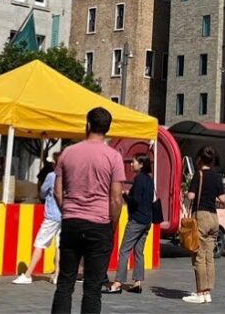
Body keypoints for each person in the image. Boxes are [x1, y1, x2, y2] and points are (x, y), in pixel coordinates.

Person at [51, 107, 126, 314]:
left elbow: (57, 192)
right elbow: (116, 198)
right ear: (108, 129)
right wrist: (112, 223)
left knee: (65, 283)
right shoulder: (113, 157)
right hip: (99, 224)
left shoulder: (68, 153)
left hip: (72, 221)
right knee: (93, 289)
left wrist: (68, 212)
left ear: (87, 124)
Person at [183, 146, 225, 304]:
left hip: (201, 216)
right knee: (209, 256)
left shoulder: (198, 175)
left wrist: (187, 194)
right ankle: (208, 291)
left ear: (199, 159)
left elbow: (192, 195)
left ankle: (201, 292)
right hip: (214, 218)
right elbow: (222, 199)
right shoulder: (216, 176)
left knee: (199, 256)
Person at [14, 149, 64, 285]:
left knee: (39, 244)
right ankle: (57, 273)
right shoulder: (70, 176)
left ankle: (28, 274)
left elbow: (42, 192)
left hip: (52, 214)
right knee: (59, 246)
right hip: (65, 215)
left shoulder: (51, 176)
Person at [107, 153, 154, 294]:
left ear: (141, 164)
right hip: (147, 221)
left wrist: (124, 194)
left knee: (124, 250)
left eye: (133, 162)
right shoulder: (149, 180)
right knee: (139, 251)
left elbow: (135, 202)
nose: (131, 164)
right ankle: (137, 283)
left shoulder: (139, 179)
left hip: (136, 220)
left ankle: (117, 283)